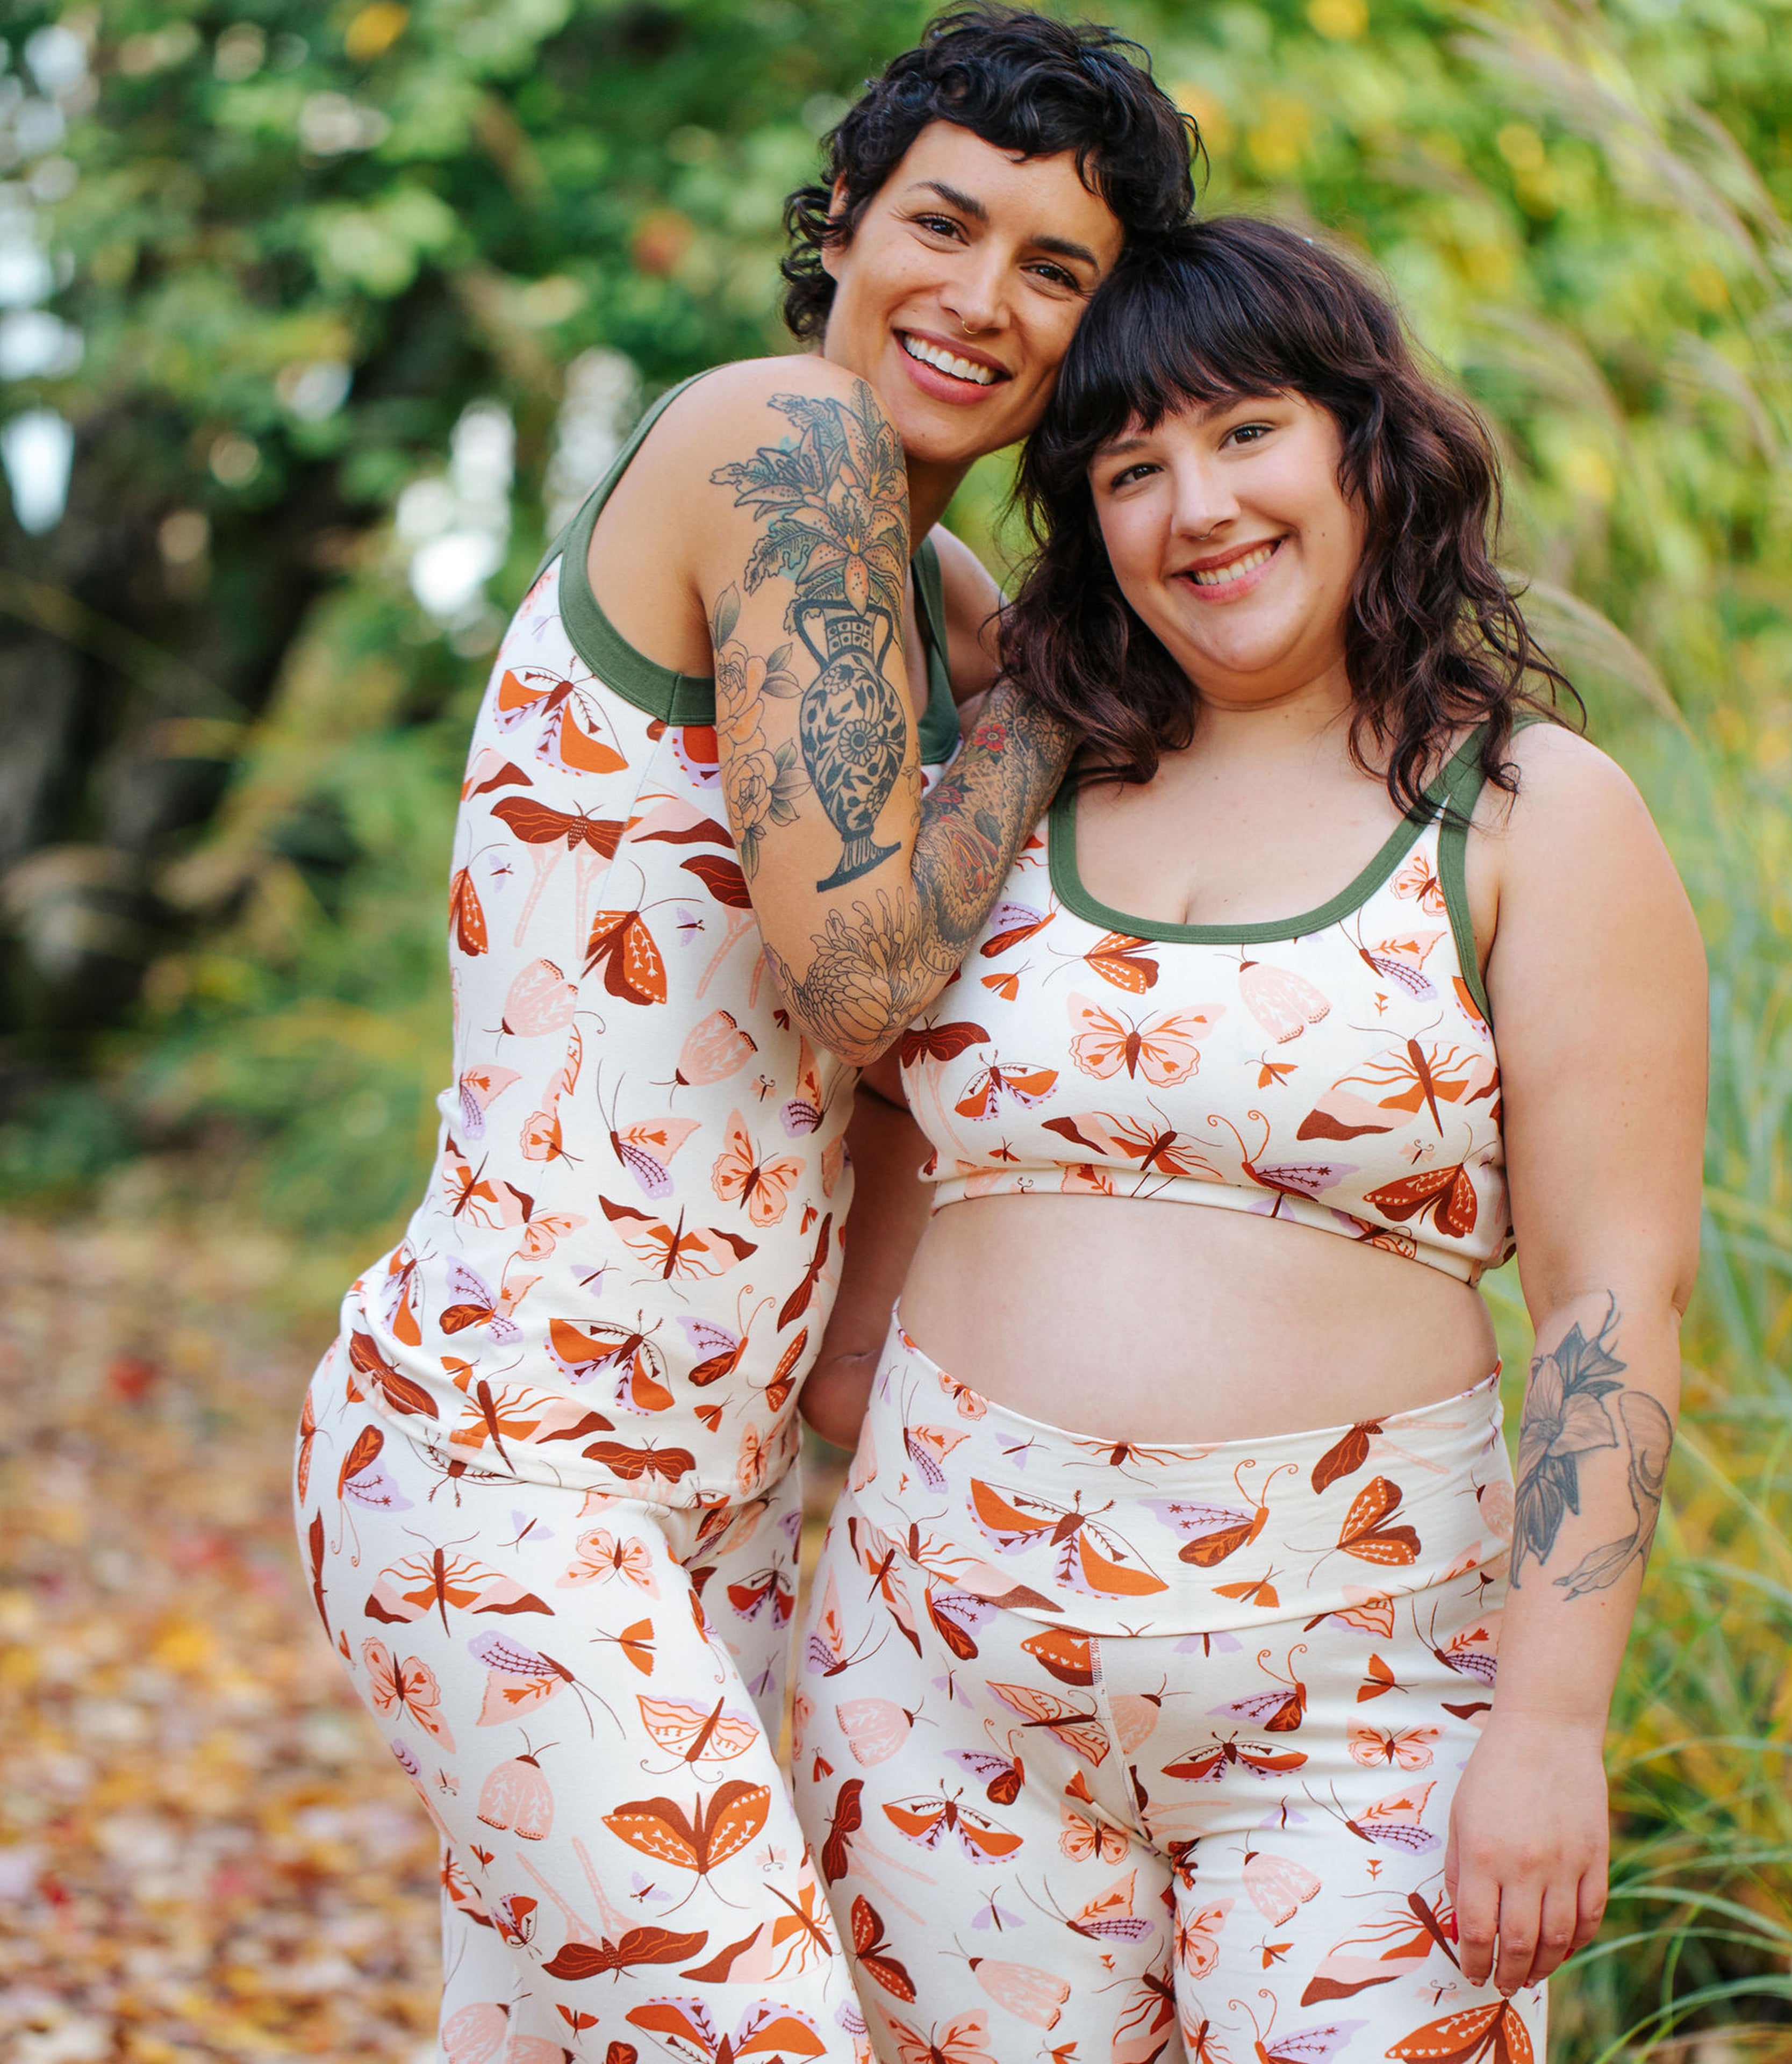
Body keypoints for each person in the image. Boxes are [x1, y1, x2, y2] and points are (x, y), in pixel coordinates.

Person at [291, 12, 1196, 2060]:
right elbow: (862, 974)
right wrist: (1058, 696)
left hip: (711, 1507)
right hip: (501, 1466)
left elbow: (906, 1088)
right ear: (845, 231)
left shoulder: (949, 607)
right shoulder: (780, 444)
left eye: (1056, 271)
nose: (980, 299)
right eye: (941, 225)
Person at [793, 216, 1707, 2064]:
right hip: (938, 1685)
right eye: (1131, 469)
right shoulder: (1022, 767)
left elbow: (1615, 1307)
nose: (1194, 508)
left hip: (1361, 1714)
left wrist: (1545, 1733)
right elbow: (885, 1074)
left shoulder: (1527, 811)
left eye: (1244, 435)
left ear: (1370, 441)